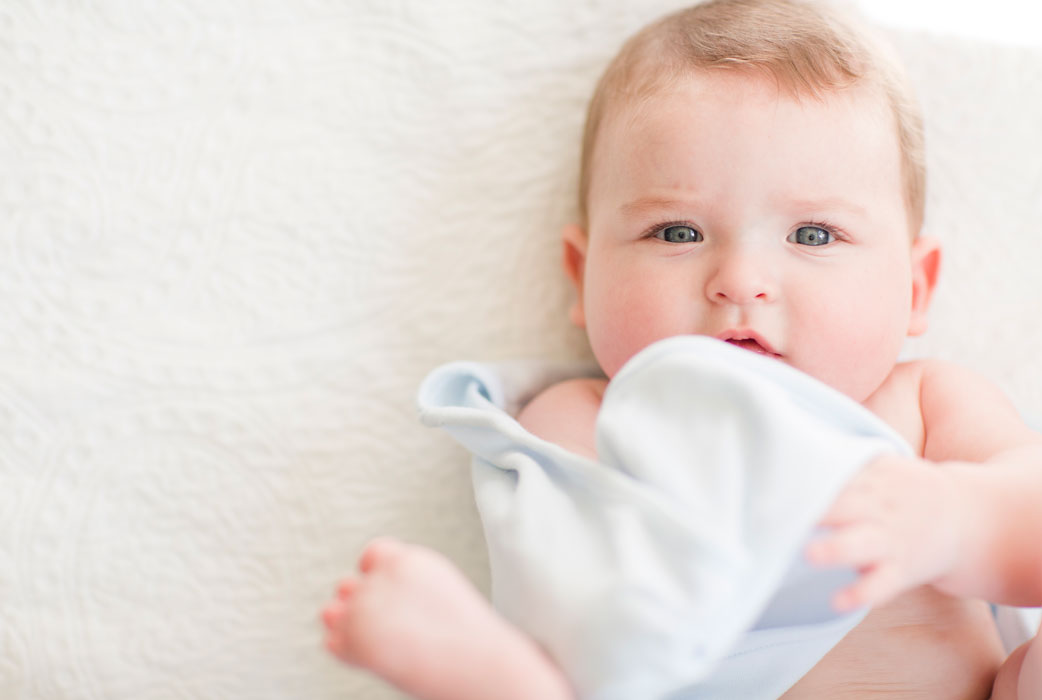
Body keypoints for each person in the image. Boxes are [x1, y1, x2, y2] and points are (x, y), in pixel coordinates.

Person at [321, 0, 1042, 697]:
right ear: (584, 274)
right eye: (677, 232)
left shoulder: (925, 407)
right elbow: (577, 604)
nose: (740, 282)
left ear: (915, 288)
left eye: (813, 235)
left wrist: (956, 521)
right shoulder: (591, 420)